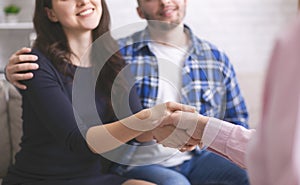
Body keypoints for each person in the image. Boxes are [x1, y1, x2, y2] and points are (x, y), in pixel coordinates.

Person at [4, 0, 250, 184]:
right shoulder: (35, 63)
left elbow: (137, 133)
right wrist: (149, 117)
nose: (83, 1)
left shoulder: (113, 60)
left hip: (97, 176)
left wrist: (174, 125)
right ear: (50, 13)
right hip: (45, 178)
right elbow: (78, 141)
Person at [159, 15, 300, 185]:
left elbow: (268, 152)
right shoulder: (124, 55)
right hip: (152, 162)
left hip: (201, 154)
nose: (165, 2)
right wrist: (199, 128)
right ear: (140, 12)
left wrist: (201, 130)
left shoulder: (216, 57)